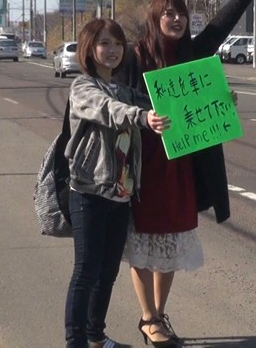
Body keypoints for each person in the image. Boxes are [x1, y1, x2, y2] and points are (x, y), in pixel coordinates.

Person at [114, 0, 256, 346]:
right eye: (169, 13)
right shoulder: (135, 57)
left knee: (171, 240)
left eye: (180, 13)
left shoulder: (192, 54)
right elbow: (119, 100)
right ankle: (148, 317)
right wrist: (146, 114)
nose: (176, 19)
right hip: (144, 167)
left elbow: (218, 28)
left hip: (180, 168)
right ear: (155, 18)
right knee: (142, 242)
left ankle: (158, 315)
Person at [64, 18, 169, 348]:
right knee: (86, 271)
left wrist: (217, 102)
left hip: (121, 195)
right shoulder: (82, 87)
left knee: (107, 273)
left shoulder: (125, 91)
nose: (112, 50)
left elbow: (163, 105)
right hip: (88, 192)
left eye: (118, 43)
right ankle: (75, 342)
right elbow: (108, 110)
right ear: (89, 49)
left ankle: (95, 337)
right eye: (104, 43)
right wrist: (141, 117)